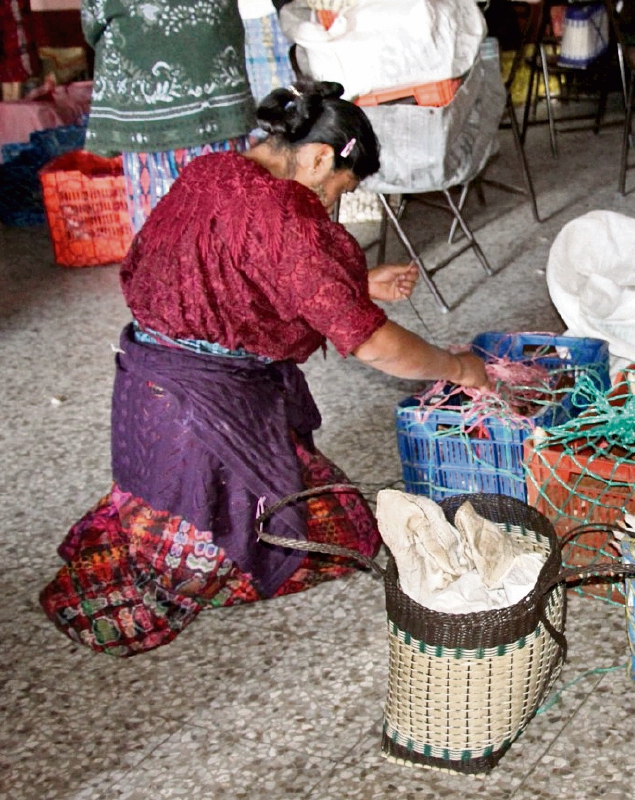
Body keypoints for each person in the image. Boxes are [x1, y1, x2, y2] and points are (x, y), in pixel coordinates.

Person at [39, 80, 490, 657]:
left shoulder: (212, 170)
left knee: (335, 512)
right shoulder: (287, 216)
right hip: (202, 411)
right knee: (341, 535)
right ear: (321, 156)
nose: (329, 204)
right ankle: (192, 543)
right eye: (337, 190)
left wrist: (354, 284)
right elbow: (372, 343)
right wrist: (457, 366)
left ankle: (169, 520)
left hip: (143, 390)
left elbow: (232, 266)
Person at [83, 0, 257, 233]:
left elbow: (94, 18)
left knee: (159, 224)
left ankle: (169, 262)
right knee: (225, 218)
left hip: (148, 111)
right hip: (216, 98)